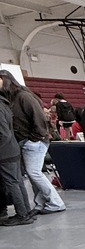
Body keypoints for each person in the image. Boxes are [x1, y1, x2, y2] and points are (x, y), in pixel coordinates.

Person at [0, 70, 66, 215]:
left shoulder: (23, 96)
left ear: (6, 80)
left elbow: (39, 118)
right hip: (28, 141)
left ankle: (56, 202)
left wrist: (35, 137)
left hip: (34, 141)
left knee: (34, 173)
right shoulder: (13, 98)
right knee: (33, 174)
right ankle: (40, 203)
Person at [0, 85, 35, 226]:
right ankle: (26, 211)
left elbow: (3, 134)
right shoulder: (5, 104)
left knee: (12, 183)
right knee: (18, 181)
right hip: (12, 148)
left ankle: (22, 215)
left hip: (5, 151)